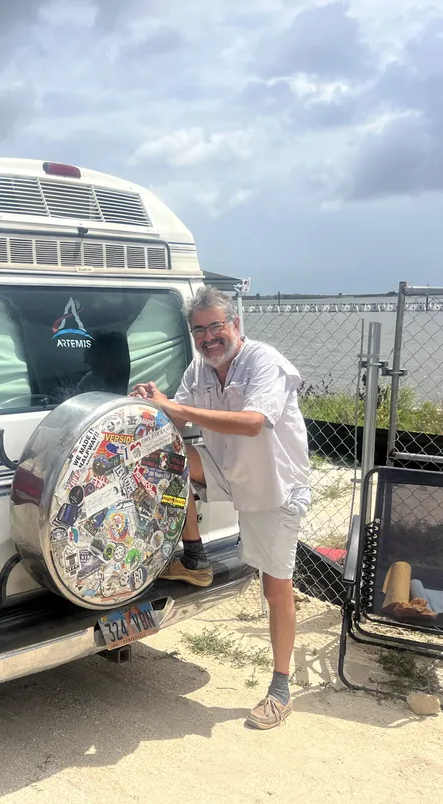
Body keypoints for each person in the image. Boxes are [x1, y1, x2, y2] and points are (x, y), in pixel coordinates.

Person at [131, 285, 311, 730]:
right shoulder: (201, 367)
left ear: (235, 325)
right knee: (160, 458)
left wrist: (174, 406)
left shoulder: (264, 362)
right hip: (225, 470)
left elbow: (253, 423)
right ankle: (195, 558)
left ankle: (280, 688)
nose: (209, 337)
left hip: (273, 489)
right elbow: (178, 415)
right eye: (199, 330)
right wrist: (155, 400)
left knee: (275, 588)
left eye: (216, 326)